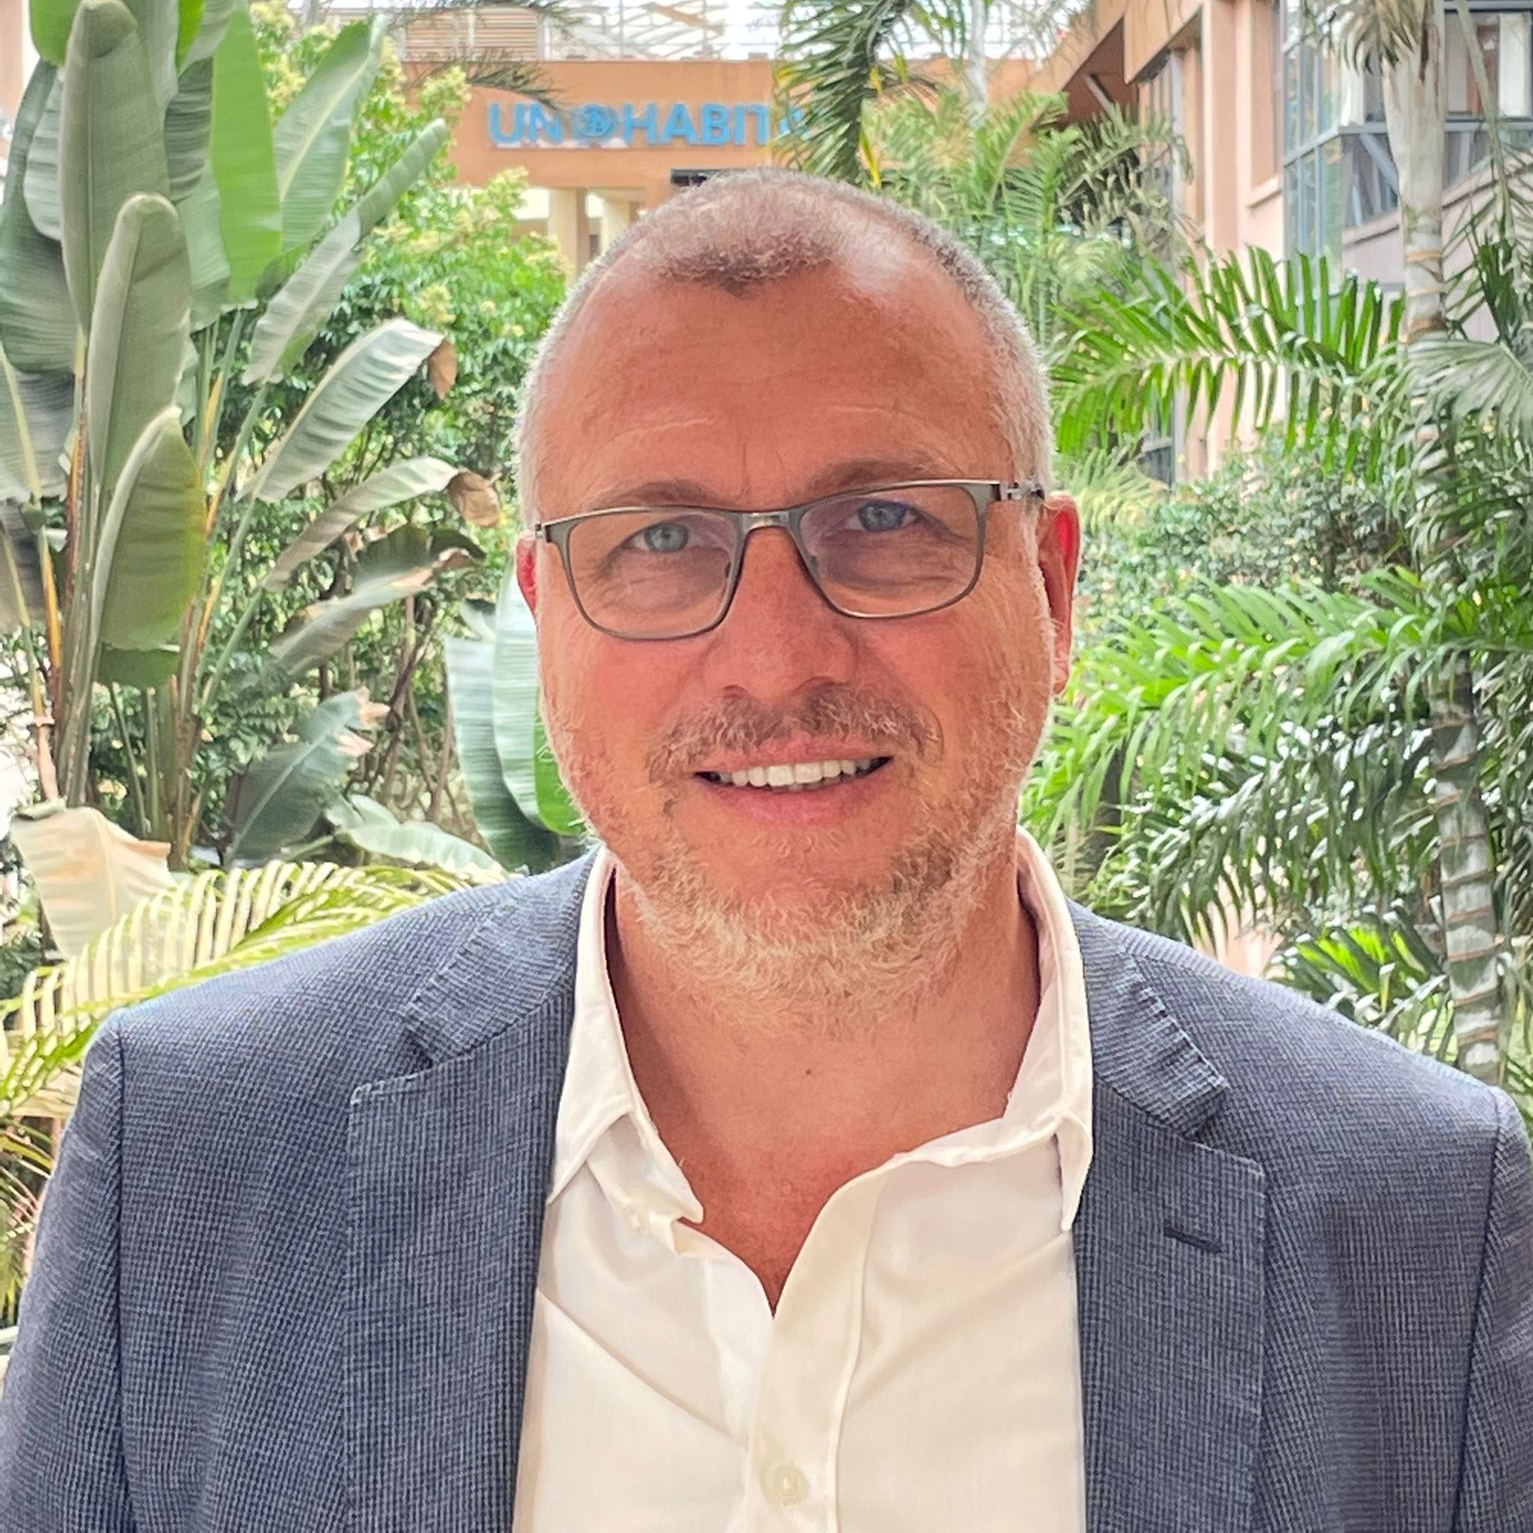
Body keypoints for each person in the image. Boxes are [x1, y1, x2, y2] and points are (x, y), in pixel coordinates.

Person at [1, 167, 1529, 1533]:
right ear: (545, 620)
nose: (778, 657)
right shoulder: (195, 1169)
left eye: (886, 519)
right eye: (661, 542)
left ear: (1053, 589)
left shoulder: (1421, 1229)